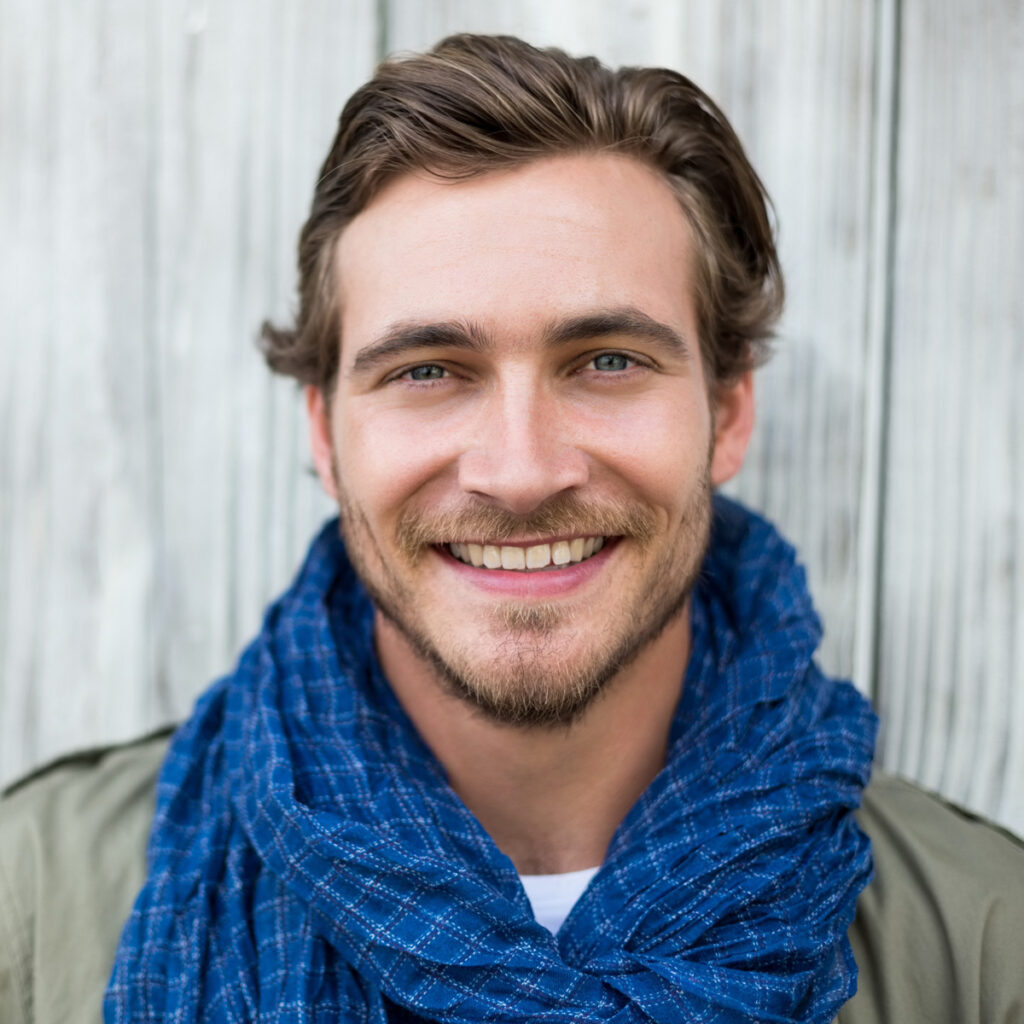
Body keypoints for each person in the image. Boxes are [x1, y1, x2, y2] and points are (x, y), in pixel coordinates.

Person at [1, 33, 1022, 1024]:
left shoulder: (983, 949)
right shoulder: (35, 910)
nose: (522, 472)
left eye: (607, 360)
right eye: (429, 371)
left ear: (728, 412)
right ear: (323, 430)